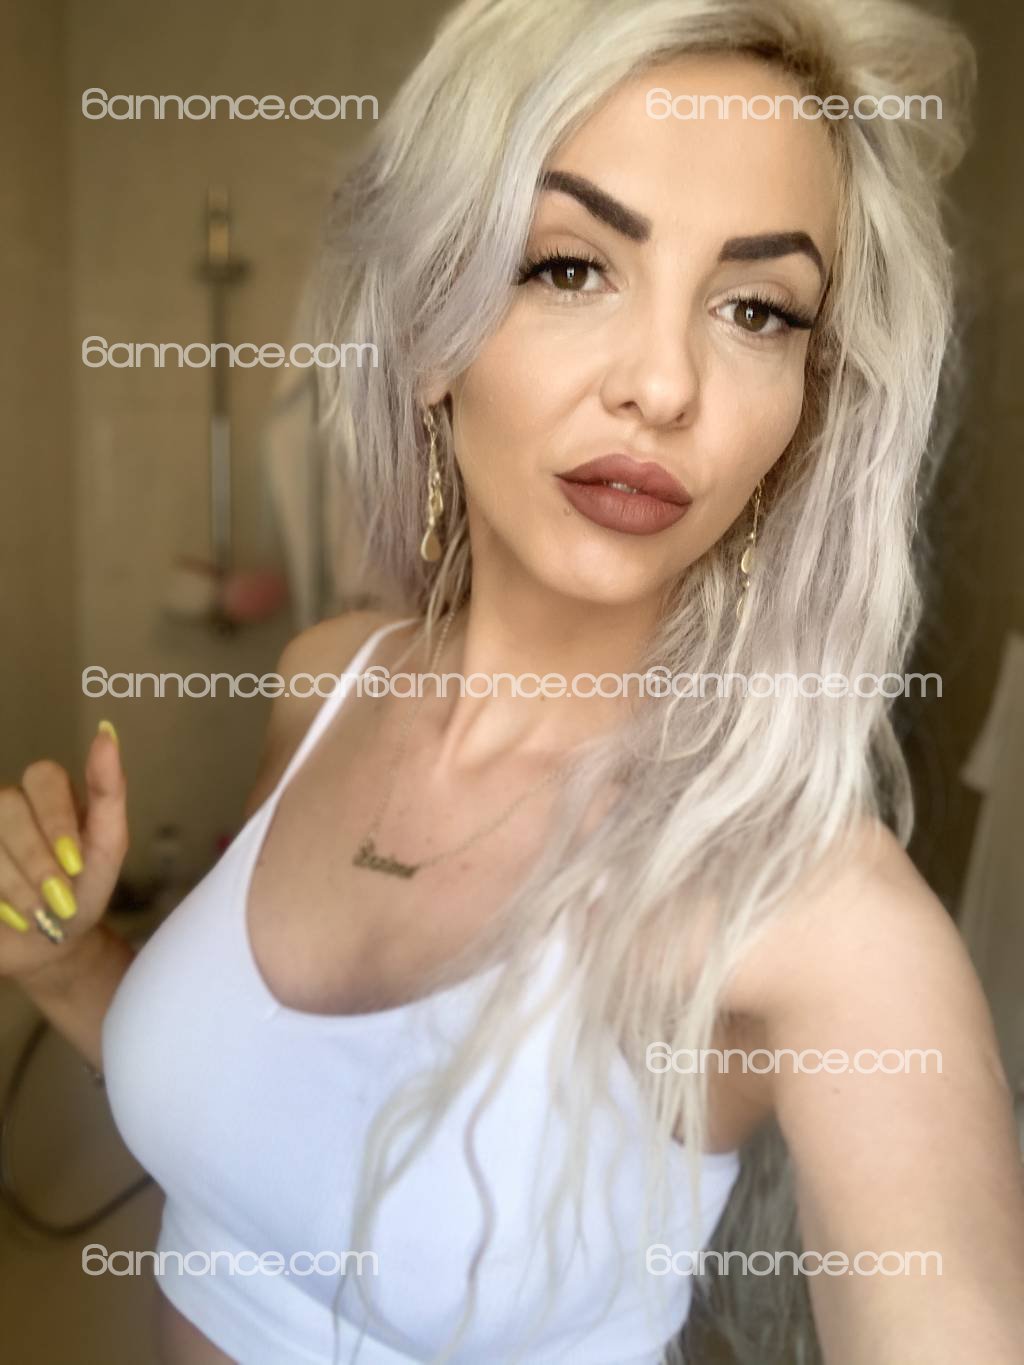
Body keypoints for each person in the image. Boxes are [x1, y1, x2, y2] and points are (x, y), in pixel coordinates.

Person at [4, 1, 1023, 1362]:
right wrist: (69, 964)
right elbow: (266, 1111)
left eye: (756, 309)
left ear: (804, 413)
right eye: (571, 267)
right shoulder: (326, 682)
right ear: (433, 332)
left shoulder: (817, 911)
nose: (662, 383)